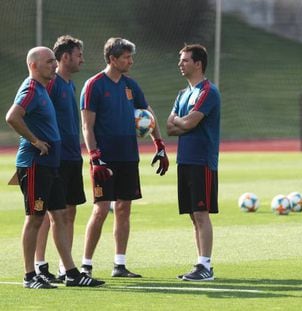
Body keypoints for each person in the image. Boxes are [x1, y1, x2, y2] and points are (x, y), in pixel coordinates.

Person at [5, 46, 104, 289]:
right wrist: (35, 140)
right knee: (35, 218)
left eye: (53, 61)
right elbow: (12, 116)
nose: (53, 65)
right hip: (36, 164)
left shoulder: (42, 89)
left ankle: (71, 272)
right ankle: (30, 276)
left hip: (51, 166)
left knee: (59, 216)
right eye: (49, 62)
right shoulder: (30, 89)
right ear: (34, 66)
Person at [79, 37, 169, 278]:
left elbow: (148, 114)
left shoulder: (131, 85)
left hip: (129, 156)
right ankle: (85, 265)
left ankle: (119, 264)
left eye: (131, 56)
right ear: (112, 59)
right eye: (126, 57)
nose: (131, 61)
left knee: (124, 208)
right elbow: (87, 126)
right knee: (100, 209)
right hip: (104, 159)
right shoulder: (94, 85)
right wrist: (95, 156)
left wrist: (159, 144)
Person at [34, 35, 87, 283]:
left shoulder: (70, 85)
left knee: (69, 212)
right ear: (65, 57)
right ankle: (40, 264)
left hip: (73, 156)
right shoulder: (52, 84)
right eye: (78, 55)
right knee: (49, 213)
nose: (82, 60)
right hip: (56, 157)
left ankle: (66, 268)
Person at [167, 44, 221, 281]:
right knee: (192, 214)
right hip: (185, 160)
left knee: (201, 213)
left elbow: (186, 124)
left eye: (185, 60)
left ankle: (206, 266)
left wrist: (182, 121)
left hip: (202, 161)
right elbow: (170, 127)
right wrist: (184, 121)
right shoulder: (182, 94)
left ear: (198, 64)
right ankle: (200, 264)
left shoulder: (208, 92)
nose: (180, 64)